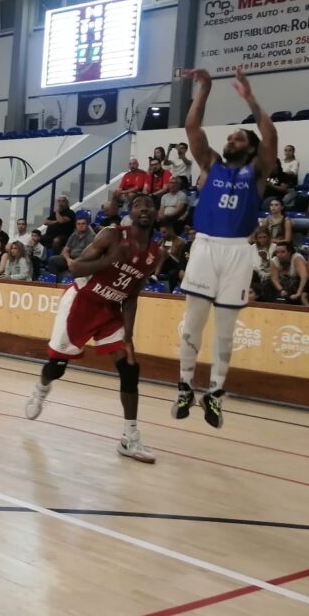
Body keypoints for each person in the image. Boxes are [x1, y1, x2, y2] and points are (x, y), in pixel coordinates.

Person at [23, 195, 162, 464]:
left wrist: (129, 336)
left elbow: (132, 295)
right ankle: (41, 389)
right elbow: (75, 269)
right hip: (81, 302)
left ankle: (129, 438)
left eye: (148, 205)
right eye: (137, 205)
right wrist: (110, 260)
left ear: (156, 213)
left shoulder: (155, 253)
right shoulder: (111, 236)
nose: (144, 207)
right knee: (57, 367)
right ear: (129, 213)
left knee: (130, 368)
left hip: (110, 311)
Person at [176, 68, 278, 427]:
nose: (230, 141)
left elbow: (270, 134)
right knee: (193, 323)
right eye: (230, 138)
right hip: (205, 246)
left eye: (237, 139)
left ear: (249, 148)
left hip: (237, 251)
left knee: (224, 329)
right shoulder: (211, 164)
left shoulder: (258, 172)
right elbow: (192, 128)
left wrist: (249, 97)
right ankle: (185, 385)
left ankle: (216, 393)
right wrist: (204, 89)